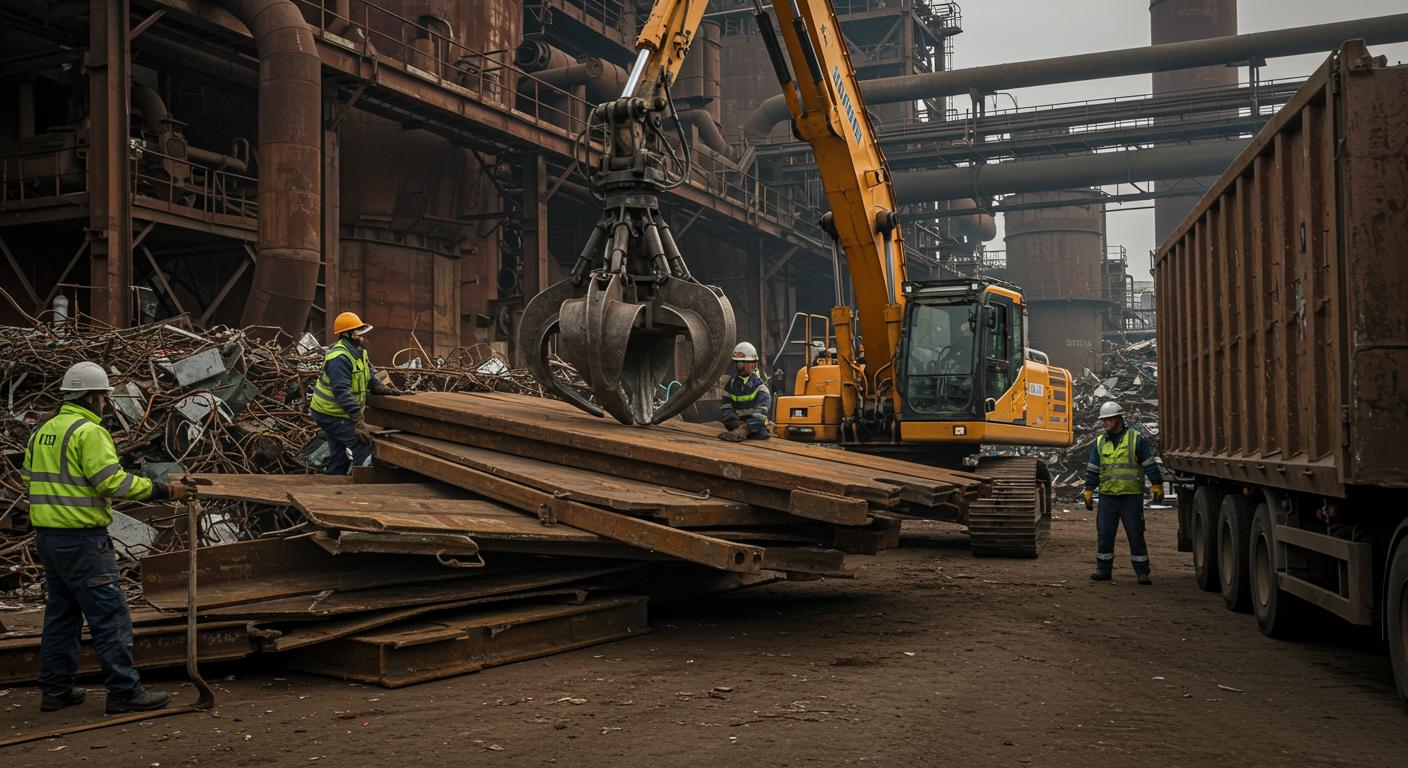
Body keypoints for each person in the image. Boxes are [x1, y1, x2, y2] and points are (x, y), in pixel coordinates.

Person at [22, 362, 189, 714]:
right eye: (103, 396)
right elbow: (112, 482)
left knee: (62, 615)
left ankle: (55, 691)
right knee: (110, 615)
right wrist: (162, 490)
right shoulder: (89, 432)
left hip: (49, 539)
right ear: (93, 397)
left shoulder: (43, 431)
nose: (105, 402)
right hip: (83, 540)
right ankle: (124, 692)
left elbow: (28, 478)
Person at [309, 311, 405, 474]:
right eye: (360, 333)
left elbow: (369, 377)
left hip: (336, 412)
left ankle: (333, 480)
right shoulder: (339, 358)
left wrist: (382, 389)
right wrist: (358, 423)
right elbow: (342, 392)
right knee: (362, 443)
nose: (364, 337)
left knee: (338, 455)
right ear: (351, 334)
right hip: (330, 413)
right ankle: (364, 480)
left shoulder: (359, 352)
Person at [1083, 401, 1164, 585]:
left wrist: (1157, 484)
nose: (1106, 423)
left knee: (1135, 534)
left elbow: (1149, 463)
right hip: (1108, 497)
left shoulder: (1135, 439)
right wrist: (1089, 489)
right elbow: (1093, 468)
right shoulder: (1099, 442)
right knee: (1104, 534)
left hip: (1130, 497)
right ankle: (1103, 570)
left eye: (1109, 419)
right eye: (1103, 420)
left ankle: (1142, 572)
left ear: (1119, 418)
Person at [718, 342, 771, 442]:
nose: (753, 365)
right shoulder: (730, 385)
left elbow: (760, 416)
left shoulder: (760, 387)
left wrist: (745, 429)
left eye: (754, 362)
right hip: (736, 428)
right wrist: (739, 428)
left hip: (757, 431)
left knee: (761, 429)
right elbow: (726, 412)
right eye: (738, 362)